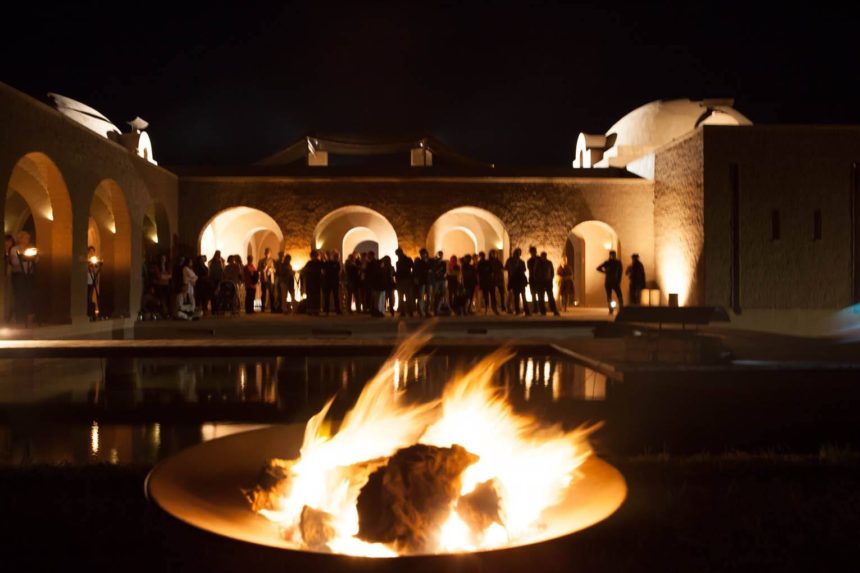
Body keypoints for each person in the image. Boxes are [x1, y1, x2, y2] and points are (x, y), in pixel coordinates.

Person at [9, 230, 37, 326]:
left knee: (30, 295)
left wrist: (33, 257)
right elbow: (15, 262)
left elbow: (36, 260)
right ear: (20, 239)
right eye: (25, 238)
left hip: (29, 275)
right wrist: (24, 257)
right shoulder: (14, 249)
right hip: (19, 275)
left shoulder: (31, 249)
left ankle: (30, 316)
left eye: (28, 238)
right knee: (20, 295)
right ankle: (19, 318)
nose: (27, 240)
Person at [506, 248, 530, 316]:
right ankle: (517, 310)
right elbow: (507, 268)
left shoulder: (521, 262)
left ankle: (525, 310)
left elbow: (524, 270)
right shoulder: (510, 261)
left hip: (519, 280)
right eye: (517, 254)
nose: (518, 255)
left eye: (519, 254)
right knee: (517, 297)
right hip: (515, 280)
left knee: (522, 296)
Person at [301, 250, 324, 315]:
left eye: (316, 256)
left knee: (316, 296)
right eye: (314, 256)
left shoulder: (319, 262)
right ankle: (310, 310)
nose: (315, 257)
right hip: (310, 282)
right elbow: (304, 270)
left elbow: (324, 268)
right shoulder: (309, 263)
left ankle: (316, 310)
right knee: (310, 296)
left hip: (317, 282)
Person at [539, 251, 560, 316]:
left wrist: (551, 279)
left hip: (548, 282)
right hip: (541, 282)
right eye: (543, 256)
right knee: (541, 297)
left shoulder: (549, 263)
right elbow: (535, 272)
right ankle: (543, 311)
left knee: (550, 296)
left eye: (544, 256)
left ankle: (554, 310)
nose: (544, 257)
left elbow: (552, 271)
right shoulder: (539, 263)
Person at [394, 248, 414, 317]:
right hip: (404, 280)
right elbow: (412, 268)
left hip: (404, 280)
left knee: (404, 297)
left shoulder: (403, 261)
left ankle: (406, 311)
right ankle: (407, 311)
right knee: (406, 297)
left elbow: (412, 268)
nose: (398, 256)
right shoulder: (406, 260)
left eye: (397, 254)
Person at [364, 251, 385, 317]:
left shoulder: (372, 263)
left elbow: (370, 273)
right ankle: (375, 311)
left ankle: (375, 311)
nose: (368, 257)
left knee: (374, 298)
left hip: (373, 283)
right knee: (375, 298)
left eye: (368, 255)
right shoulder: (375, 263)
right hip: (375, 283)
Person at [414, 249, 433, 317]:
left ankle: (427, 311)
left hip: (429, 281)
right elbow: (417, 270)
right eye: (421, 254)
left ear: (426, 253)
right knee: (421, 297)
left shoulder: (430, 261)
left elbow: (432, 269)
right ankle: (421, 312)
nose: (422, 255)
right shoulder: (419, 262)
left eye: (423, 253)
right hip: (422, 281)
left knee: (429, 297)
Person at [322, 250, 342, 315]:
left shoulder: (336, 263)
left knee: (335, 296)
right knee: (327, 297)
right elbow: (324, 272)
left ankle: (337, 310)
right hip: (328, 282)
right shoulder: (326, 263)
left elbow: (338, 272)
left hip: (334, 281)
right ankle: (327, 310)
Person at [86, 246, 102, 319]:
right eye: (90, 252)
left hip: (92, 282)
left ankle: (90, 313)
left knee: (90, 296)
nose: (91, 253)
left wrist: (93, 267)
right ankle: (87, 312)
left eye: (93, 252)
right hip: (86, 282)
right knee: (87, 297)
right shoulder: (86, 260)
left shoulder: (94, 261)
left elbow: (96, 271)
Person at [259, 248, 276, 312]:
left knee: (272, 293)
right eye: (266, 253)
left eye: (268, 253)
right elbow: (258, 270)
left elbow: (275, 270)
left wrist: (271, 270)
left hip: (271, 279)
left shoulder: (273, 261)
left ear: (270, 254)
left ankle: (273, 308)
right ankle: (262, 308)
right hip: (264, 279)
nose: (267, 254)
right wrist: (264, 269)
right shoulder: (261, 261)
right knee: (263, 294)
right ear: (264, 253)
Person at [526, 246, 541, 314]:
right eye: (531, 252)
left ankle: (541, 308)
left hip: (539, 279)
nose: (532, 253)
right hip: (532, 279)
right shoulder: (529, 261)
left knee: (540, 294)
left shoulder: (539, 259)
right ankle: (535, 308)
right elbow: (530, 269)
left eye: (533, 252)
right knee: (533, 294)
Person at [3, 235, 14, 323]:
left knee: (9, 295)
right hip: (4, 274)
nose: (8, 243)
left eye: (10, 241)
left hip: (10, 274)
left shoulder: (13, 251)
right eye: (7, 241)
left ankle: (9, 315)